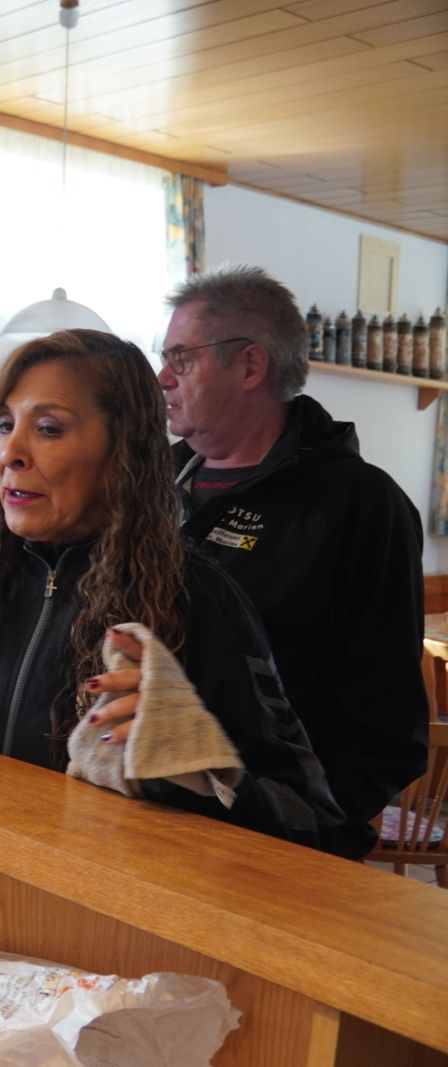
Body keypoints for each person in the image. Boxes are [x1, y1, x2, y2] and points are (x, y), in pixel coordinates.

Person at [0, 329, 345, 852]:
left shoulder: (197, 598)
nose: (9, 453)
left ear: (122, 451)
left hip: (89, 906)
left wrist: (191, 767)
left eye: (49, 429)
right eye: (5, 425)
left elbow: (309, 814)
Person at [161, 265, 428, 856]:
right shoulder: (147, 487)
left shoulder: (358, 504)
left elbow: (387, 717)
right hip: (146, 814)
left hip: (276, 841)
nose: (163, 378)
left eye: (181, 359)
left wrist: (308, 821)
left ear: (250, 365)